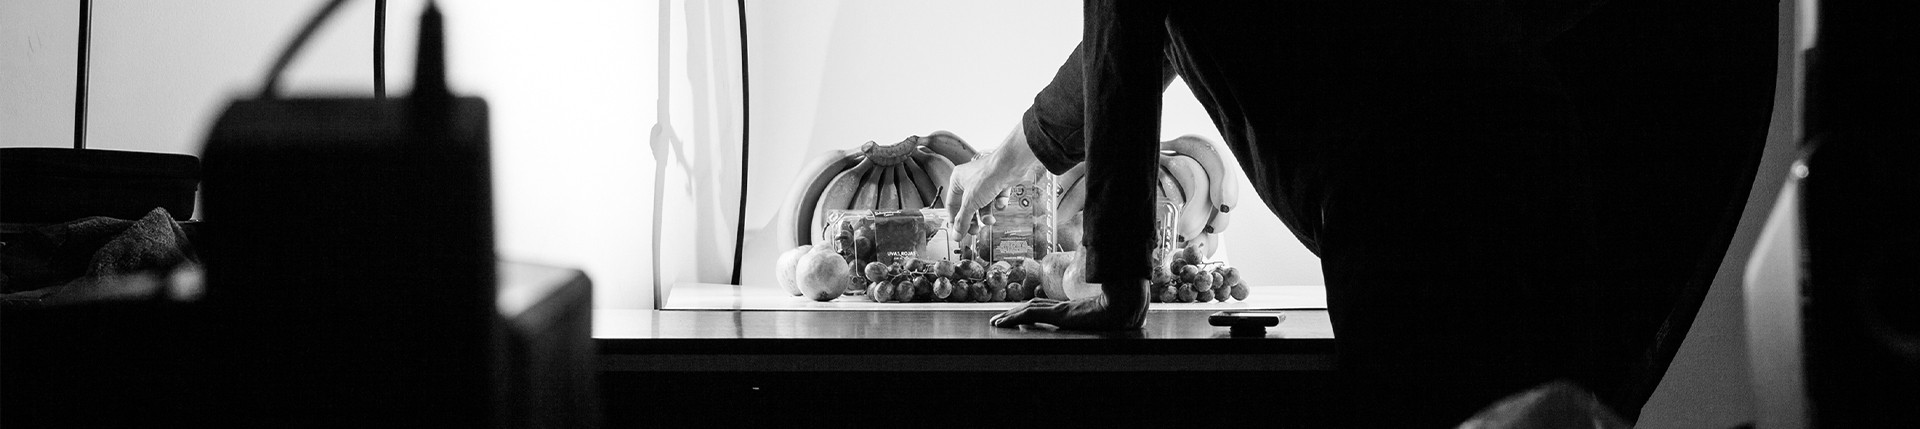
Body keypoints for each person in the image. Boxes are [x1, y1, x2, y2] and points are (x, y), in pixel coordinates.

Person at [946, 0, 1776, 426]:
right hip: (1529, 156)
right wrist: (1014, 153)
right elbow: (1144, 29)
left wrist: (1115, 272)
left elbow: (1129, 26)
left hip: (1415, 198)